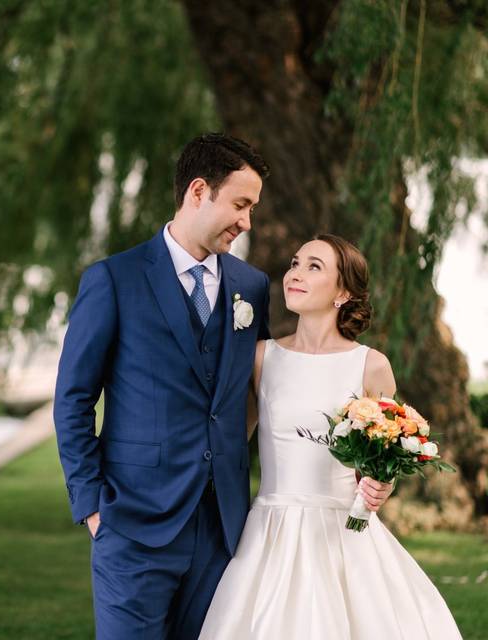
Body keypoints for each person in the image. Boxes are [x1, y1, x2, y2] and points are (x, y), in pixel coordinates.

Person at [54, 133, 395, 638]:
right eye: (240, 204)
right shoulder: (114, 280)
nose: (247, 221)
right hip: (132, 524)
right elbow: (73, 400)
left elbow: (254, 398)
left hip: (225, 532)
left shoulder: (250, 286)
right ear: (198, 191)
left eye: (253, 207)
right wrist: (92, 508)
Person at [198, 234, 461, 639]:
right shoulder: (262, 357)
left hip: (343, 533)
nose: (295, 274)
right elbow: (230, 443)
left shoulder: (370, 365)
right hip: (271, 530)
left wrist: (381, 485)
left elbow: (382, 456)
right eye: (295, 263)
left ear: (343, 292)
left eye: (313, 267)